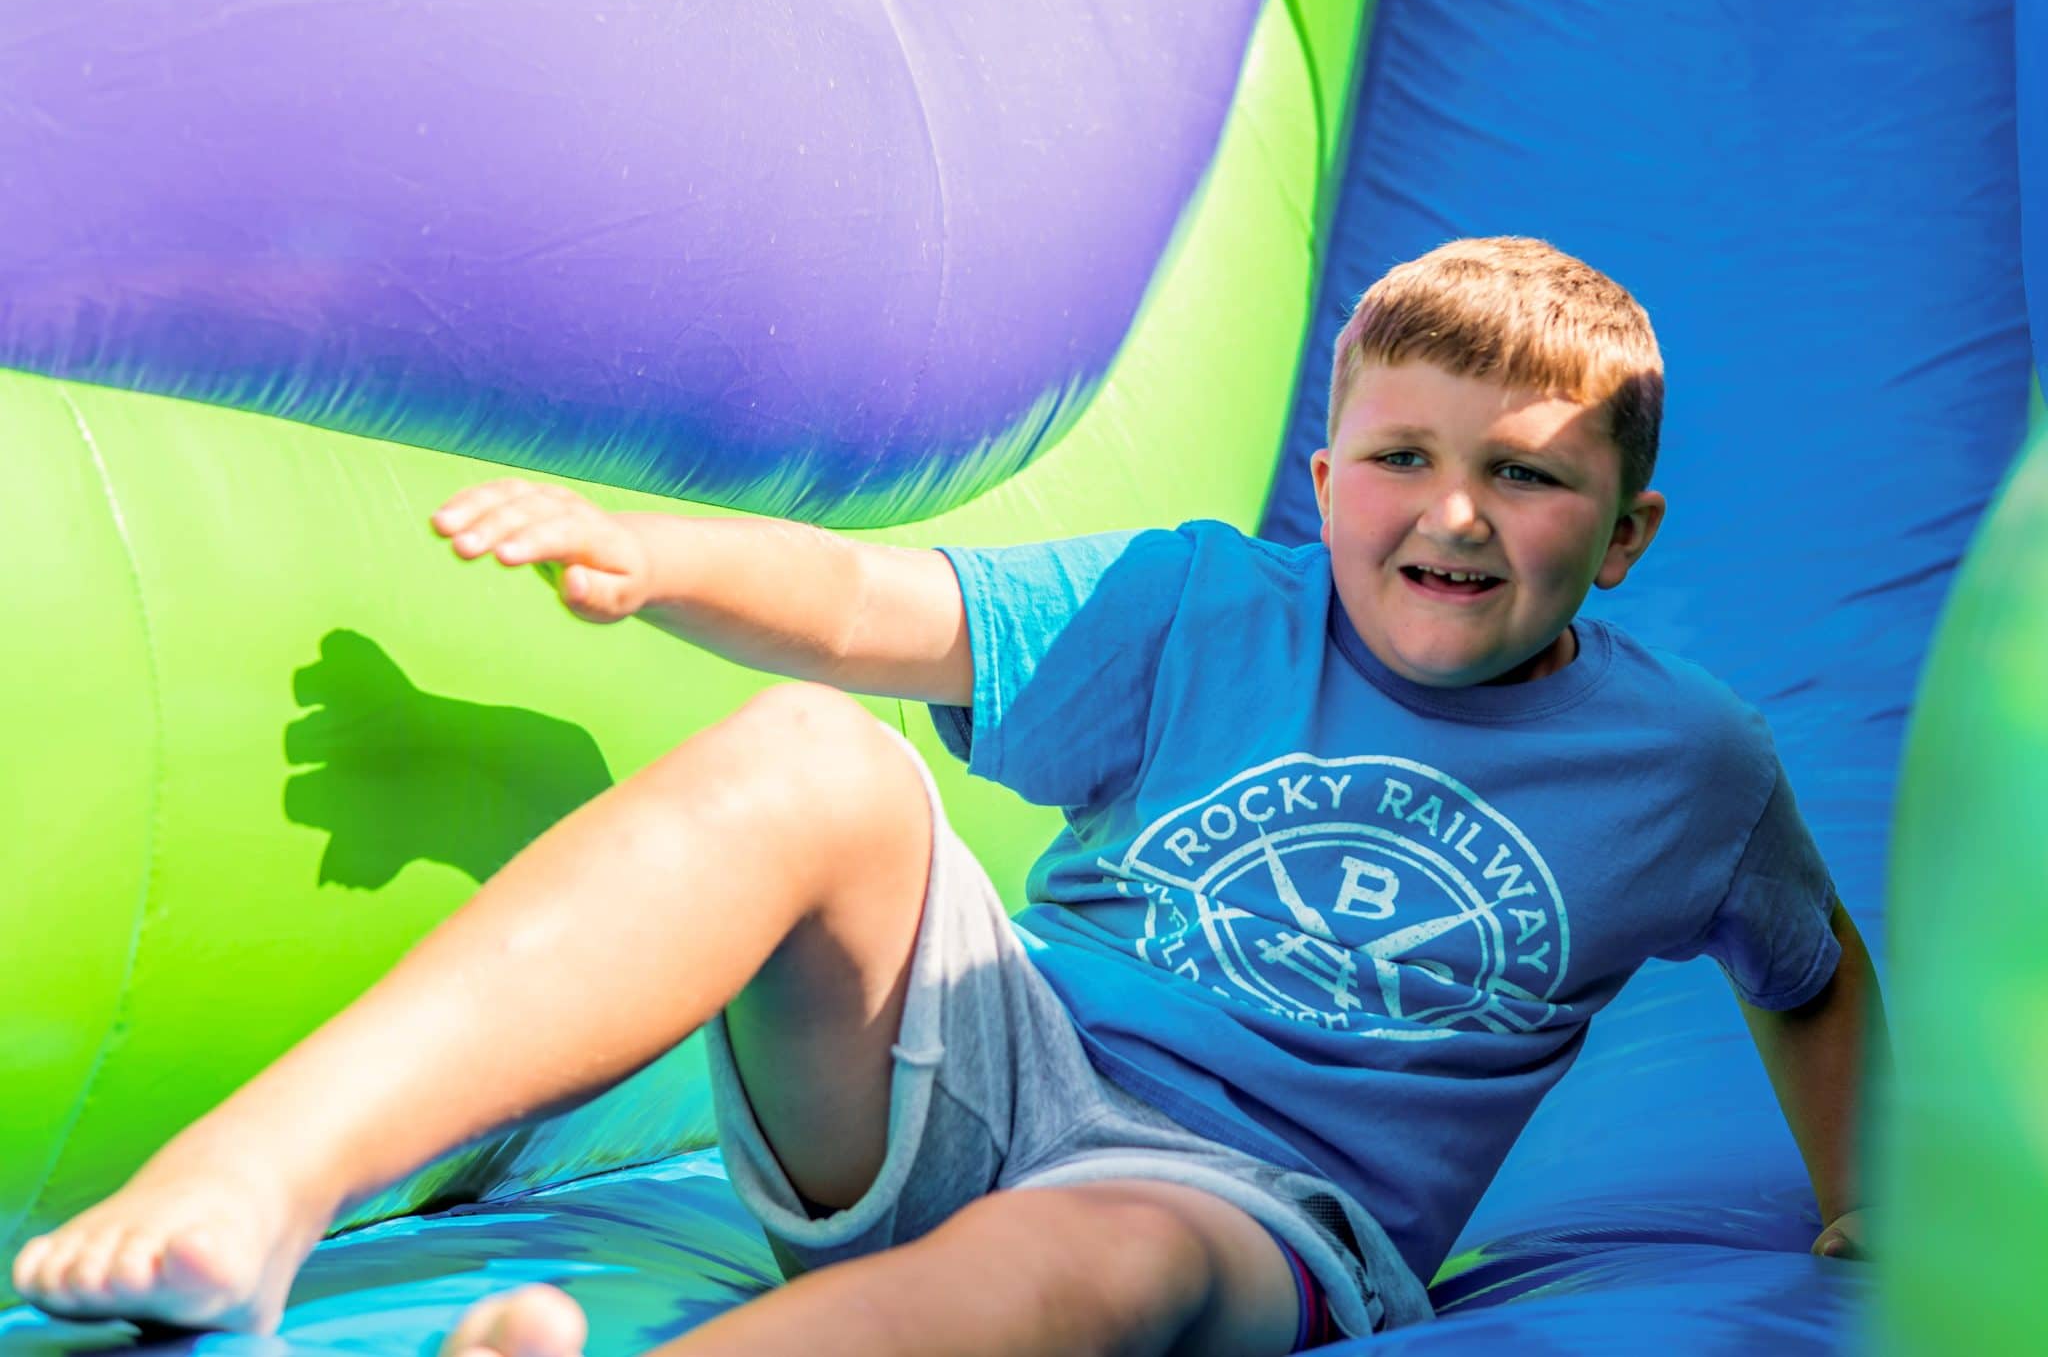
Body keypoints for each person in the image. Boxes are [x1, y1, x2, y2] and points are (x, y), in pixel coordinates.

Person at [10, 237, 1885, 1357]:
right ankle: (252, 1180)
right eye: (1400, 454)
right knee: (820, 758)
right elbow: (873, 609)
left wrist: (1860, 1194)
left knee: (1104, 1256)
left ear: (1626, 537)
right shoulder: (1205, 608)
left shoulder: (1689, 768)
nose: (1452, 512)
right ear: (1324, 477)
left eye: (1529, 475)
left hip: (1258, 1206)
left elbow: (1808, 968)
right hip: (976, 1070)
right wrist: (653, 548)